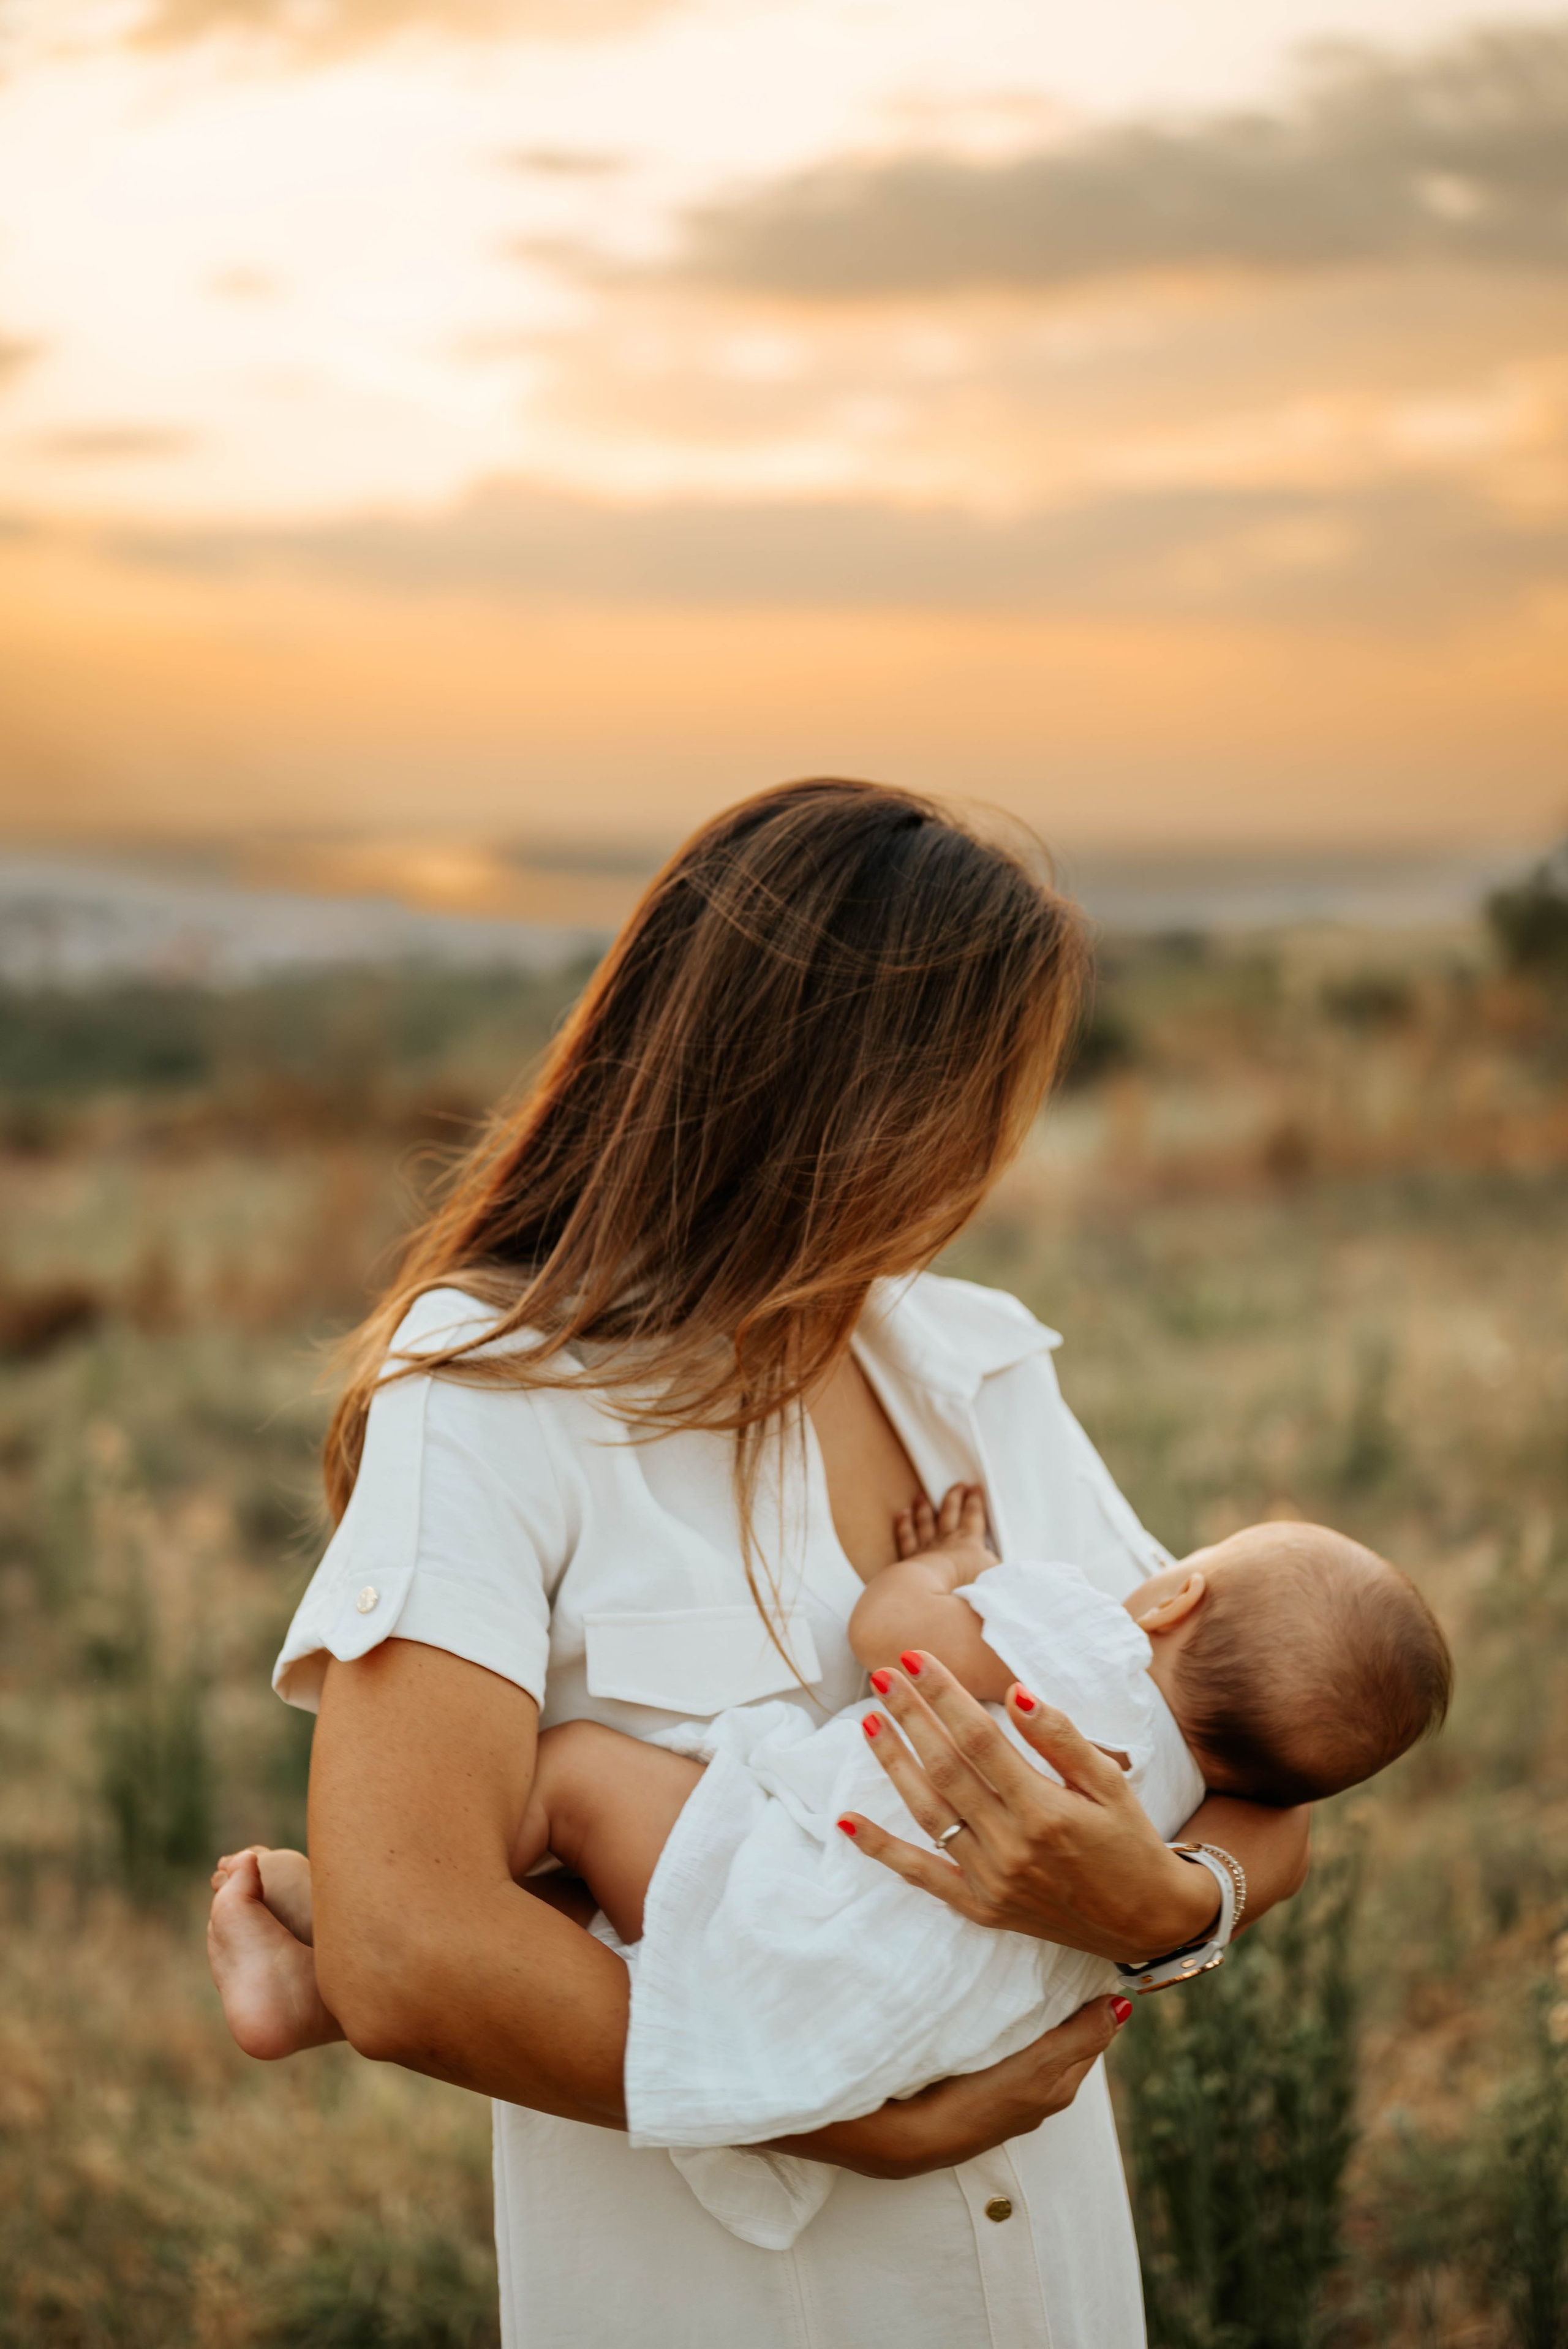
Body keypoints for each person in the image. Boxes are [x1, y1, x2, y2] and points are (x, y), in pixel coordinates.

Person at [207, 777, 1314, 2349]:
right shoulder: (495, 1391)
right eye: (978, 1089)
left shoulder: (973, 1369)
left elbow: (1261, 1774)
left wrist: (1164, 1899)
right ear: (823, 1084)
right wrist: (823, 2112)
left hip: (1050, 2279)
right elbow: (403, 1950)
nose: (994, 1150)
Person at [213, 1488, 1449, 2247]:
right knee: (639, 1901)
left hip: (801, 1910)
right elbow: (1271, 1834)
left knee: (582, 1773)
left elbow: (889, 1637)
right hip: (921, 2034)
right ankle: (338, 1979)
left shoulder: (1083, 1644)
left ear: (1175, 1592)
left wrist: (950, 1564)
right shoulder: (1185, 1792)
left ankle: (389, 1916)